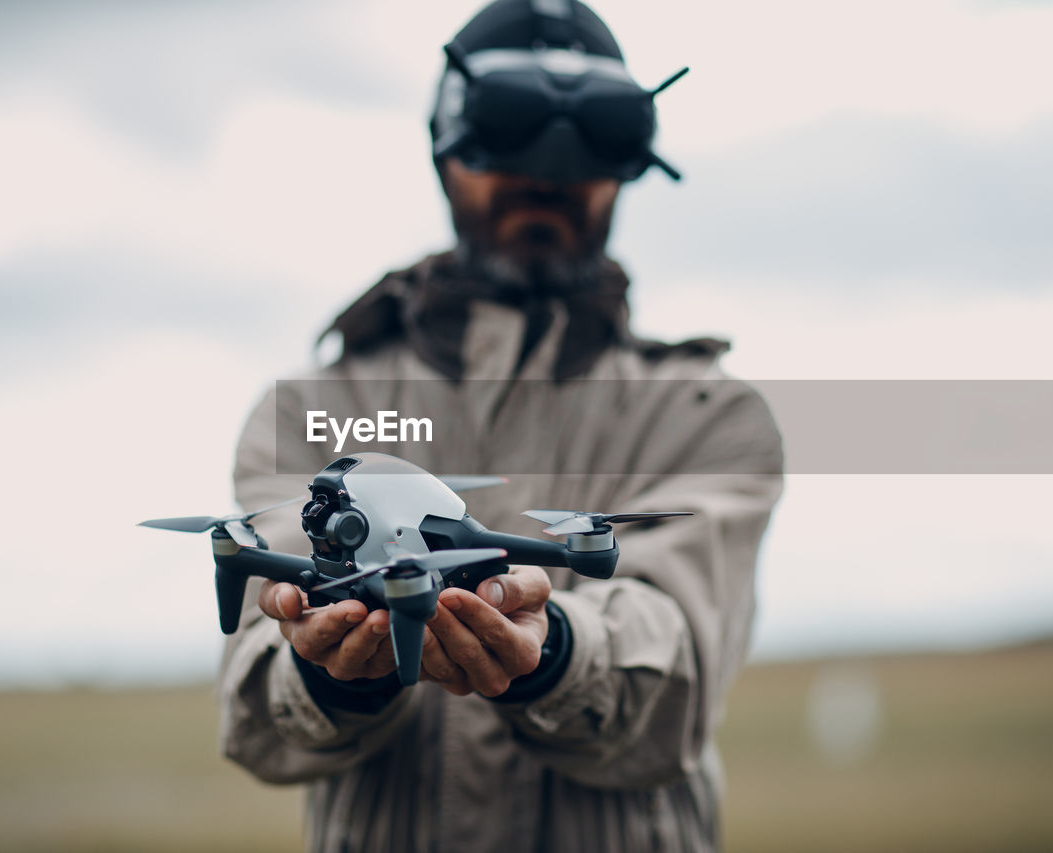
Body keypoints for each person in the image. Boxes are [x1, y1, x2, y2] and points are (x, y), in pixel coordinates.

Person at [218, 2, 783, 851]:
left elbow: (679, 690)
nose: (547, 174)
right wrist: (329, 667)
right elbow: (259, 708)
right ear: (443, 151)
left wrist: (555, 651)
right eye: (507, 132)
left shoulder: (705, 410)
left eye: (590, 140)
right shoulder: (312, 406)